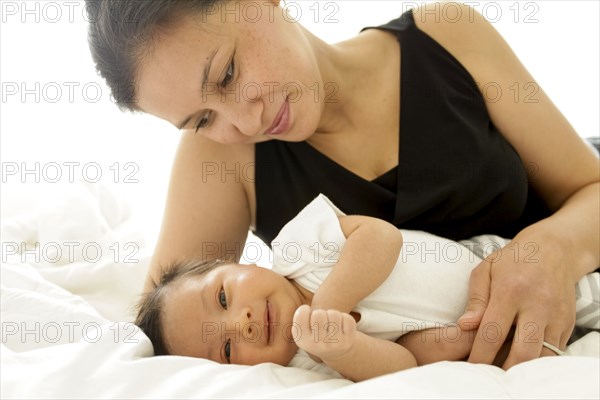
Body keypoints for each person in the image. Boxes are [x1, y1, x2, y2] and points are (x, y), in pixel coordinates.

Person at [86, 0, 600, 369]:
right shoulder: (221, 156)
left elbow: (590, 188)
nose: (242, 123)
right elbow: (169, 325)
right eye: (200, 119)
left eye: (226, 74)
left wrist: (552, 247)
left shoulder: (448, 35)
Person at [134, 194, 599, 382]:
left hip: (491, 263)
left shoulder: (298, 249)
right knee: (436, 350)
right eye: (229, 350)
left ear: (238, 263)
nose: (243, 322)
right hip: (483, 327)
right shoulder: (307, 363)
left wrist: (332, 302)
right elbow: (403, 364)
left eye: (222, 298)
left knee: (587, 293)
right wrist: (341, 347)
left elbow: (381, 238)